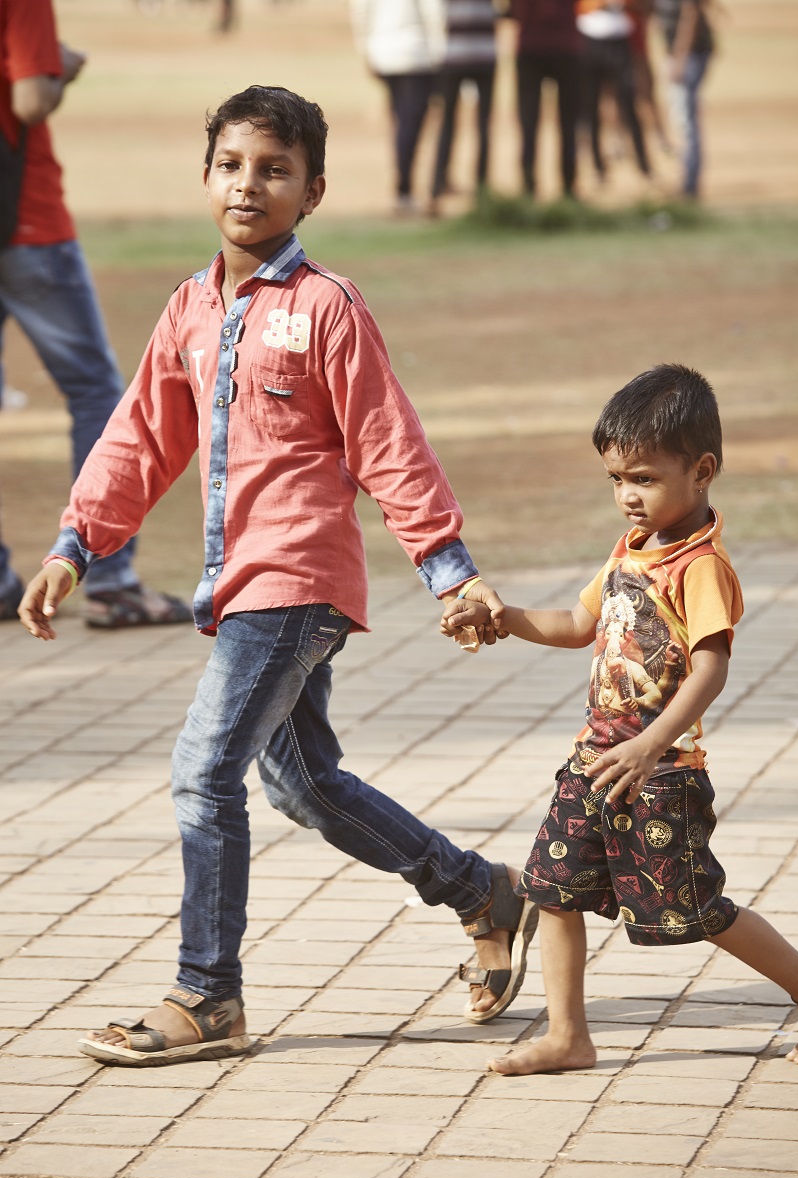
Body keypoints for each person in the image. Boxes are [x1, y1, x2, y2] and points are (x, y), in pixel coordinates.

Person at [18, 84, 540, 1066]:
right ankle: (481, 892)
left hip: (295, 584)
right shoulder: (187, 310)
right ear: (205, 176)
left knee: (202, 772)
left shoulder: (325, 308)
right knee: (303, 784)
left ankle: (208, 995)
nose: (247, 185)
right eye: (230, 165)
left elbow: (387, 440)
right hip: (236, 585)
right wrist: (73, 546)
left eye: (273, 170)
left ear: (312, 192)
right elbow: (138, 438)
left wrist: (447, 569)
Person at [442, 364, 798, 1074]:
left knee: (698, 910)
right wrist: (503, 617)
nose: (626, 496)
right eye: (615, 480)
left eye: (642, 478)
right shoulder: (633, 549)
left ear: (702, 471)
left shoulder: (700, 567)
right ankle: (568, 1036)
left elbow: (711, 668)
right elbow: (579, 621)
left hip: (658, 773)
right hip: (594, 761)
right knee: (552, 889)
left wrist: (649, 747)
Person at [0, 0, 191, 628]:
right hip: (26, 226)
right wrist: (59, 69)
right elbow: (29, 99)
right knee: (99, 396)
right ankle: (109, 578)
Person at [350, 0, 445, 213]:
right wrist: (439, 53)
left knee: (402, 120)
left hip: (383, 52)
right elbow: (433, 12)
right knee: (410, 123)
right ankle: (403, 189)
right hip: (416, 54)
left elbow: (360, 11)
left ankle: (404, 187)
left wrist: (365, 49)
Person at [429, 0, 498, 214]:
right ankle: (480, 188)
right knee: (480, 124)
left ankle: (438, 184)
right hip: (479, 52)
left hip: (457, 52)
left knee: (450, 122)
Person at [510, 0, 583, 199]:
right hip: (562, 46)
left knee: (529, 121)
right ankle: (567, 187)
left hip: (536, 45)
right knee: (567, 122)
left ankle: (529, 187)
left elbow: (513, 11)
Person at [575, 0, 651, 183]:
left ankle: (644, 166)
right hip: (589, 40)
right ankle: (598, 168)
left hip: (619, 41)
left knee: (629, 106)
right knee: (591, 108)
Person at [654, 0, 715, 197]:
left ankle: (690, 185)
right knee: (681, 118)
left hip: (691, 55)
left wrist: (680, 59)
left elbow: (690, 18)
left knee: (686, 120)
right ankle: (687, 181)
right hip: (678, 55)